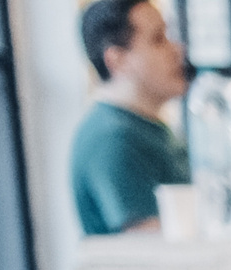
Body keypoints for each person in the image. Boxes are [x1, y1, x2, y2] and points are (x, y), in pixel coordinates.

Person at [70, 0, 191, 236]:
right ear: (117, 60)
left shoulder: (148, 127)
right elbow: (147, 245)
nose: (177, 50)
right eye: (158, 39)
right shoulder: (113, 139)